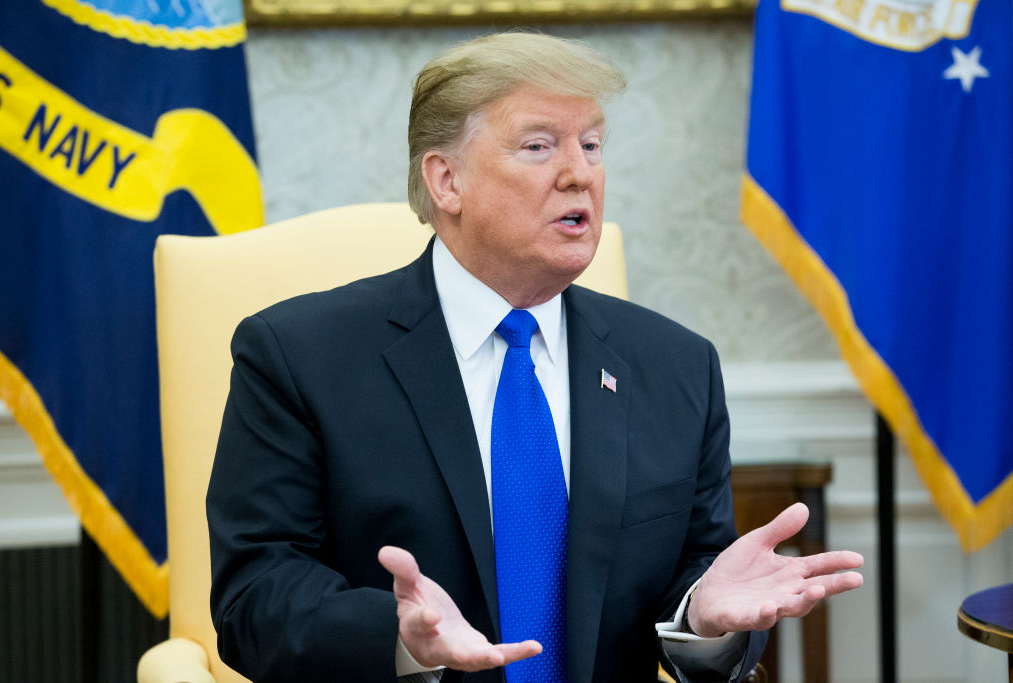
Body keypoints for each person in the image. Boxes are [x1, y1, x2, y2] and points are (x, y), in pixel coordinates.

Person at [206, 32, 863, 683]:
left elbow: (697, 577)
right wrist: (399, 639)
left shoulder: (676, 367)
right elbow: (254, 597)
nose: (579, 172)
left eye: (592, 145)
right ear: (446, 179)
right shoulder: (299, 357)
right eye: (539, 146)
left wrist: (703, 620)